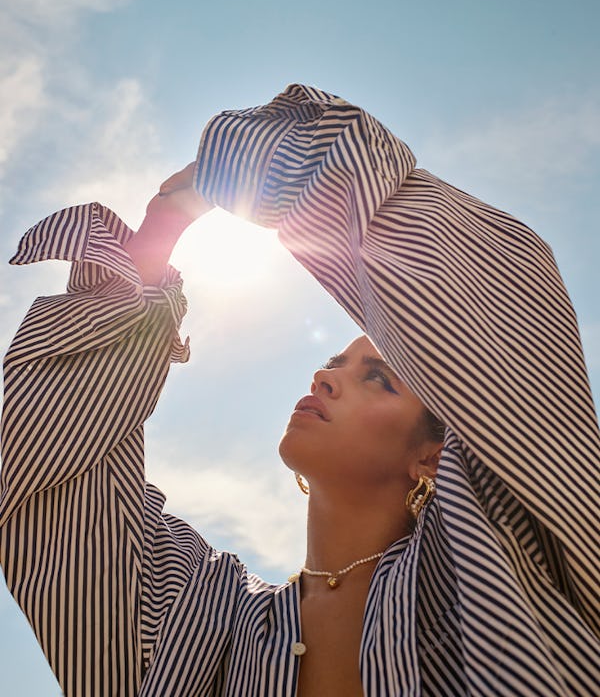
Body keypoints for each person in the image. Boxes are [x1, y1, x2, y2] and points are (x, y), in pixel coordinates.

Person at [1, 84, 599, 696]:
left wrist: (262, 167)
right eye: (332, 362)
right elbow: (48, 478)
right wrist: (151, 249)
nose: (325, 377)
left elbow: (506, 301)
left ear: (434, 454)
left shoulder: (504, 561)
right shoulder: (210, 622)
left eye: (379, 379)